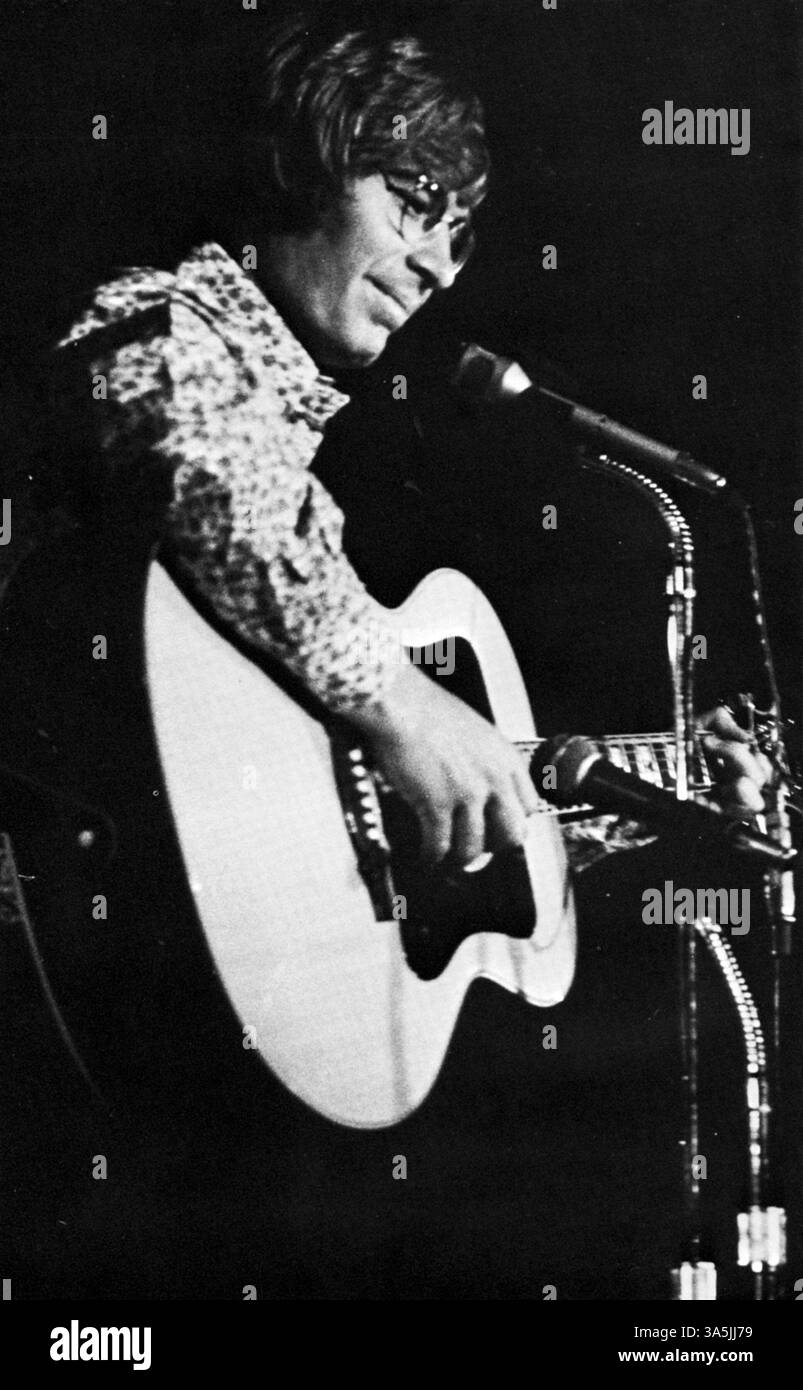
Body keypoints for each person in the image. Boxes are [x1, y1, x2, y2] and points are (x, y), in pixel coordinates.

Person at [0, 3, 775, 1300]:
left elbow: (379, 811)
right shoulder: (171, 325)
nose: (435, 260)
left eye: (460, 233)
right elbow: (203, 466)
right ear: (308, 156)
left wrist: (662, 799)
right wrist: (405, 704)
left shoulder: (310, 489)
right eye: (413, 197)